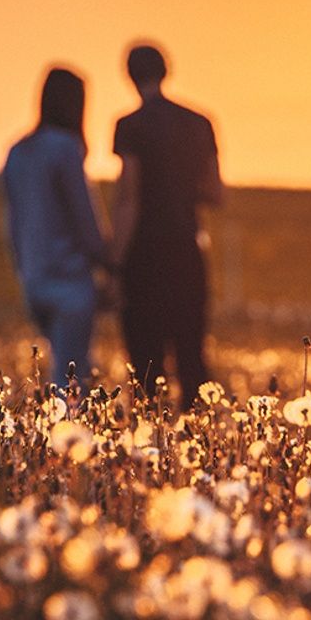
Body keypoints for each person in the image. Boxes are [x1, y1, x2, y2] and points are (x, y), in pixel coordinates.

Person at [111, 43, 223, 408]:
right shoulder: (200, 122)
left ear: (129, 74)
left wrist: (115, 260)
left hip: (144, 256)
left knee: (145, 361)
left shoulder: (129, 126)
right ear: (166, 70)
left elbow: (128, 197)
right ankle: (199, 441)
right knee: (191, 353)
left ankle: (150, 444)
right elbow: (216, 193)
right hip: (188, 250)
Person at [1, 67, 108, 388]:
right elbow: (83, 215)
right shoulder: (64, 148)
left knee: (59, 368)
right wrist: (107, 259)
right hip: (70, 280)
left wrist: (23, 267)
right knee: (73, 377)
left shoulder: (17, 152)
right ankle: (70, 437)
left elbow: (12, 221)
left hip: (33, 279)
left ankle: (57, 433)